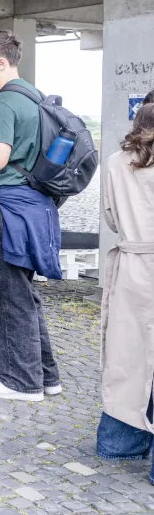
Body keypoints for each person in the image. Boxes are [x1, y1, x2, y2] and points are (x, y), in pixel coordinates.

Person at [0, 31, 62, 402]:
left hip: (4, 207)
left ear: (1, 63)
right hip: (34, 205)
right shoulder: (35, 97)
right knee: (24, 294)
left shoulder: (1, 104)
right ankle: (45, 375)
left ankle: (20, 382)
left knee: (5, 295)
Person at [96, 103, 154, 483]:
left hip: (134, 264)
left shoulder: (117, 162)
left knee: (127, 356)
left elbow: (111, 217)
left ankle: (120, 442)